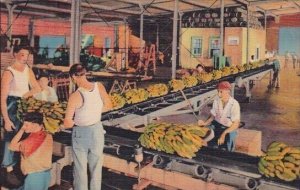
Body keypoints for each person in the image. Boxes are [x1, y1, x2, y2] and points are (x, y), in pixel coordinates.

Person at [63, 64, 112, 190]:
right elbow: (109, 105)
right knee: (96, 167)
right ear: (85, 73)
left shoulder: (75, 96)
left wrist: (63, 124)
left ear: (73, 76)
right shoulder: (99, 86)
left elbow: (68, 122)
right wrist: (93, 112)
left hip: (81, 133)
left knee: (80, 168)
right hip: (97, 130)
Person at [1, 46, 41, 177]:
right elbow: (2, 98)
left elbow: (37, 88)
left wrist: (26, 95)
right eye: (22, 54)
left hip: (25, 104)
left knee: (24, 134)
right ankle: (8, 169)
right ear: (15, 54)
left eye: (27, 55)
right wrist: (6, 120)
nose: (25, 58)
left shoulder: (28, 70)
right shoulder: (9, 72)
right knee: (10, 136)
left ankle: (21, 166)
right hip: (11, 106)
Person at [9, 112, 53, 190]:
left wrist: (21, 130)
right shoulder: (48, 135)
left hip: (34, 177)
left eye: (26, 125)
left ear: (35, 125)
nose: (24, 127)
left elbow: (11, 146)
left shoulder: (29, 142)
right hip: (46, 175)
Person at [198, 81, 240, 151]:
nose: (219, 94)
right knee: (211, 147)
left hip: (228, 129)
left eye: (221, 92)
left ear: (228, 91)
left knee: (226, 150)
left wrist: (224, 133)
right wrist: (204, 123)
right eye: (218, 91)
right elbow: (212, 116)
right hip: (216, 126)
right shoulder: (216, 101)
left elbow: (236, 124)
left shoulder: (234, 104)